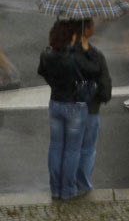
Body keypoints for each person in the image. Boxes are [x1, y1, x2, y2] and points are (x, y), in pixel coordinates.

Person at [37, 20, 101, 200]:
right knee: (72, 150)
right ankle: (67, 190)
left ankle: (55, 189)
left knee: (56, 147)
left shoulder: (46, 54)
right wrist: (87, 49)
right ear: (69, 37)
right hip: (75, 106)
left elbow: (42, 72)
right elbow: (95, 70)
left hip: (55, 104)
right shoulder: (74, 57)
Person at [74, 19, 112, 195]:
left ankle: (69, 183)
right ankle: (83, 184)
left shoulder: (65, 53)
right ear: (87, 30)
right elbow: (105, 85)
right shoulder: (96, 55)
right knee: (88, 149)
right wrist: (101, 98)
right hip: (90, 109)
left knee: (70, 148)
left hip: (70, 107)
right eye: (92, 26)